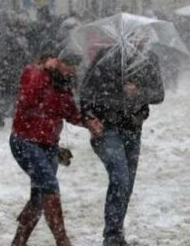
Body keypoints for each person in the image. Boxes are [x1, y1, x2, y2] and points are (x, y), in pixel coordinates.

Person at [9, 51, 103, 246]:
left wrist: (88, 122)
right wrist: (43, 73)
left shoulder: (63, 86)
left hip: (49, 146)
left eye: (74, 69)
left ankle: (18, 241)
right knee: (49, 187)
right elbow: (27, 99)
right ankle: (62, 240)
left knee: (39, 196)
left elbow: (70, 112)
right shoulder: (33, 73)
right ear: (56, 62)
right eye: (68, 66)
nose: (71, 72)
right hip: (25, 141)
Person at [80, 32, 165, 246]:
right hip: (107, 128)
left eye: (141, 36)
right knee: (120, 178)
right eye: (133, 36)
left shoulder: (149, 60)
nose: (138, 41)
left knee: (127, 183)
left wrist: (139, 92)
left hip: (133, 129)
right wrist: (90, 117)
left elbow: (159, 94)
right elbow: (86, 92)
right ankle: (111, 236)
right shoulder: (106, 57)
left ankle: (116, 232)